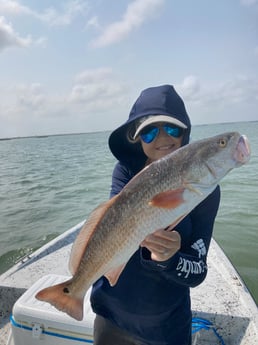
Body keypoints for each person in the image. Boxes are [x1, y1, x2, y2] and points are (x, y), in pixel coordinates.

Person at [90, 84, 221, 345]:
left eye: (172, 128)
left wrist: (170, 258)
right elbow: (110, 227)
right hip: (111, 316)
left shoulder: (206, 189)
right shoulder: (125, 171)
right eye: (149, 132)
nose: (162, 139)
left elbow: (198, 271)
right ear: (137, 139)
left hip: (167, 327)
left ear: (185, 132)